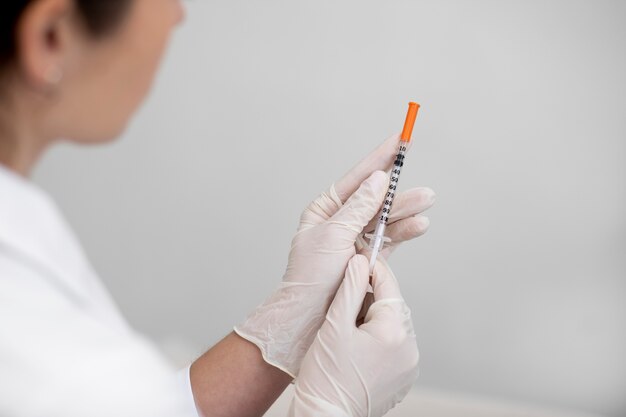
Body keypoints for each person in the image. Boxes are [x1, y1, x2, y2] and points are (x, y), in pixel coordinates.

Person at [0, 1, 436, 416]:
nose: (178, 16)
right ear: (49, 37)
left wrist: (289, 323)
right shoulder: (35, 346)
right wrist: (332, 408)